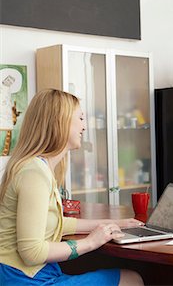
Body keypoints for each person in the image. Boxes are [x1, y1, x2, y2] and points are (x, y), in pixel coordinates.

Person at [0, 89, 144, 286]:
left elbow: (58, 223)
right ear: (60, 122)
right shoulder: (34, 173)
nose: (84, 127)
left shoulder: (36, 167)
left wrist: (114, 224)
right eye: (81, 118)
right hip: (24, 280)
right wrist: (90, 242)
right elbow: (32, 253)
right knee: (131, 279)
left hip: (31, 275)